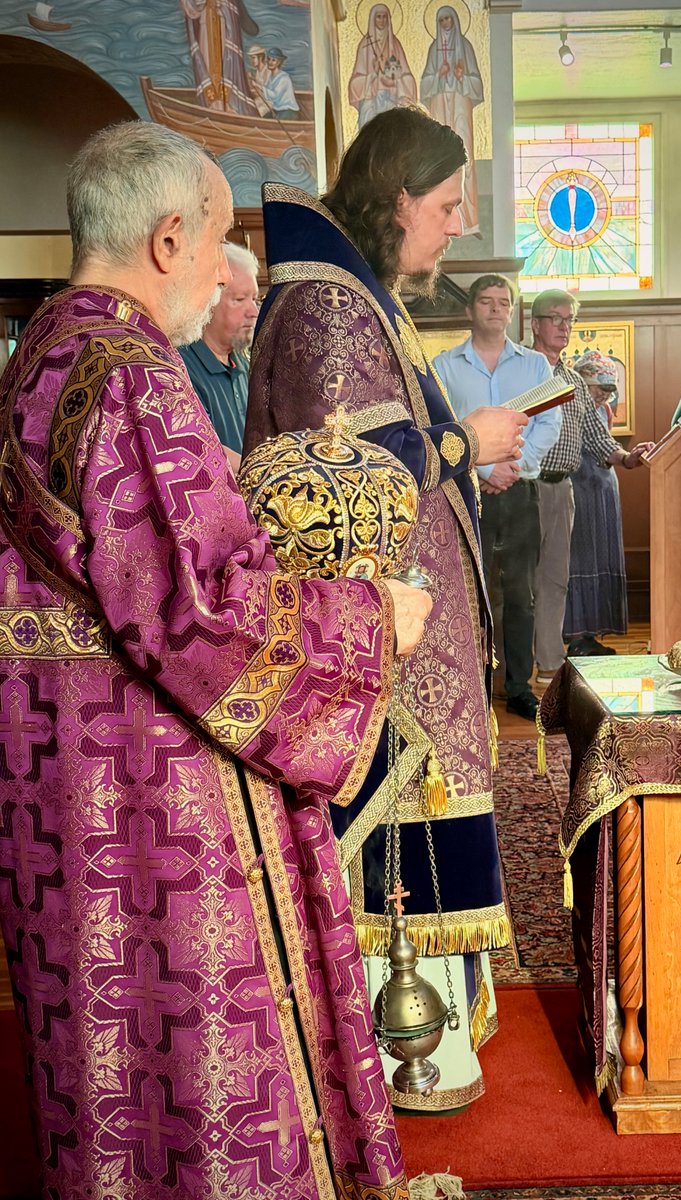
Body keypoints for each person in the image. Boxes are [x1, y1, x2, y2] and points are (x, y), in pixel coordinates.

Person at [0, 120, 433, 1198]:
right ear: (166, 239)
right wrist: (376, 617)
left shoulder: (35, 356)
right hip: (163, 794)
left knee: (114, 1052)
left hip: (64, 785)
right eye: (217, 239)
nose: (217, 269)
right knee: (207, 1051)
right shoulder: (131, 372)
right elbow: (209, 617)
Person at [243, 107, 527, 1111]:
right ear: (397, 195)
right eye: (447, 206)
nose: (458, 226)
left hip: (412, 642)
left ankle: (425, 1041)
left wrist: (465, 463)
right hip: (383, 657)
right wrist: (461, 443)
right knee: (396, 837)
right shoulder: (329, 307)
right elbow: (340, 483)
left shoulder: (360, 297)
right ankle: (398, 1054)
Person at [433, 274, 559, 721]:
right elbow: (442, 427)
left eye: (503, 302)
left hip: (521, 493)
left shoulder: (535, 367)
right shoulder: (443, 367)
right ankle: (475, 684)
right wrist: (484, 467)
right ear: (470, 310)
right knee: (472, 591)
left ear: (512, 310)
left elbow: (548, 426)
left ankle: (520, 686)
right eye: (485, 301)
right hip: (468, 492)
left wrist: (512, 469)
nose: (495, 309)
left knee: (521, 593)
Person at [530, 290, 641, 685]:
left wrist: (628, 457)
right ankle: (504, 677)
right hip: (521, 489)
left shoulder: (575, 381)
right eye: (555, 319)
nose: (563, 327)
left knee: (555, 581)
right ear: (535, 324)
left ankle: (549, 665)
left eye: (569, 320)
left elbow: (598, 440)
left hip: (561, 491)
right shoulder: (520, 370)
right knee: (514, 584)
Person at [566, 351, 653, 655]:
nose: (603, 394)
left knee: (601, 560)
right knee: (580, 560)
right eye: (597, 386)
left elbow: (608, 448)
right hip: (578, 489)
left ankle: (590, 634)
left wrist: (630, 458)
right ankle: (575, 635)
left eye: (609, 388)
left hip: (602, 491)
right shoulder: (568, 407)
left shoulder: (603, 411)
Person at [180, 240, 259, 471]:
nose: (253, 311)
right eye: (239, 299)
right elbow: (201, 451)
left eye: (254, 299)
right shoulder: (181, 368)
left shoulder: (244, 362)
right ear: (207, 301)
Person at [419, 6, 484, 236]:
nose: (445, 23)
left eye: (448, 18)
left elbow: (477, 85)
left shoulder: (465, 46)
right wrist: (439, 74)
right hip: (439, 104)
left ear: (455, 20)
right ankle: (439, 224)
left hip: (459, 104)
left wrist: (460, 76)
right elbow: (424, 87)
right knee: (439, 160)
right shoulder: (433, 49)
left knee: (465, 157)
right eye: (442, 19)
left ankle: (469, 221)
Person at [181, 0, 258, 115]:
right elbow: (192, 8)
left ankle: (229, 104)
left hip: (224, 26)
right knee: (207, 66)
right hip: (206, 25)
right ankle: (213, 104)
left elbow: (251, 29)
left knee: (227, 65)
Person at [348, 3, 417, 129]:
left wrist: (395, 78)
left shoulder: (395, 45)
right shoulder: (365, 46)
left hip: (391, 101)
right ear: (372, 19)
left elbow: (407, 77)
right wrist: (373, 75)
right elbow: (354, 83)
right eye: (378, 17)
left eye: (384, 17)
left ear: (389, 19)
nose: (382, 20)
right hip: (371, 103)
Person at [259, 47, 300, 119]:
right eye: (268, 59)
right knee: (262, 119)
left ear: (279, 62)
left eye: (273, 60)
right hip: (277, 110)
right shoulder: (271, 77)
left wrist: (259, 87)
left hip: (288, 111)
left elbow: (275, 96)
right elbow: (267, 94)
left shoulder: (284, 78)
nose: (270, 62)